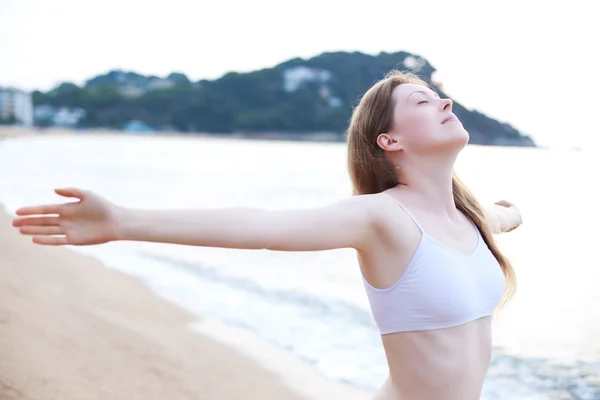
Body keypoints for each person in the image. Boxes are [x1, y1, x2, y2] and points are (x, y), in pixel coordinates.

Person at [12, 70, 522, 400]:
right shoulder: (381, 218)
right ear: (389, 140)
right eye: (423, 100)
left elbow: (501, 218)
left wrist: (510, 212)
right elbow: (262, 225)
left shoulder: (470, 218)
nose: (444, 100)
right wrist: (123, 221)